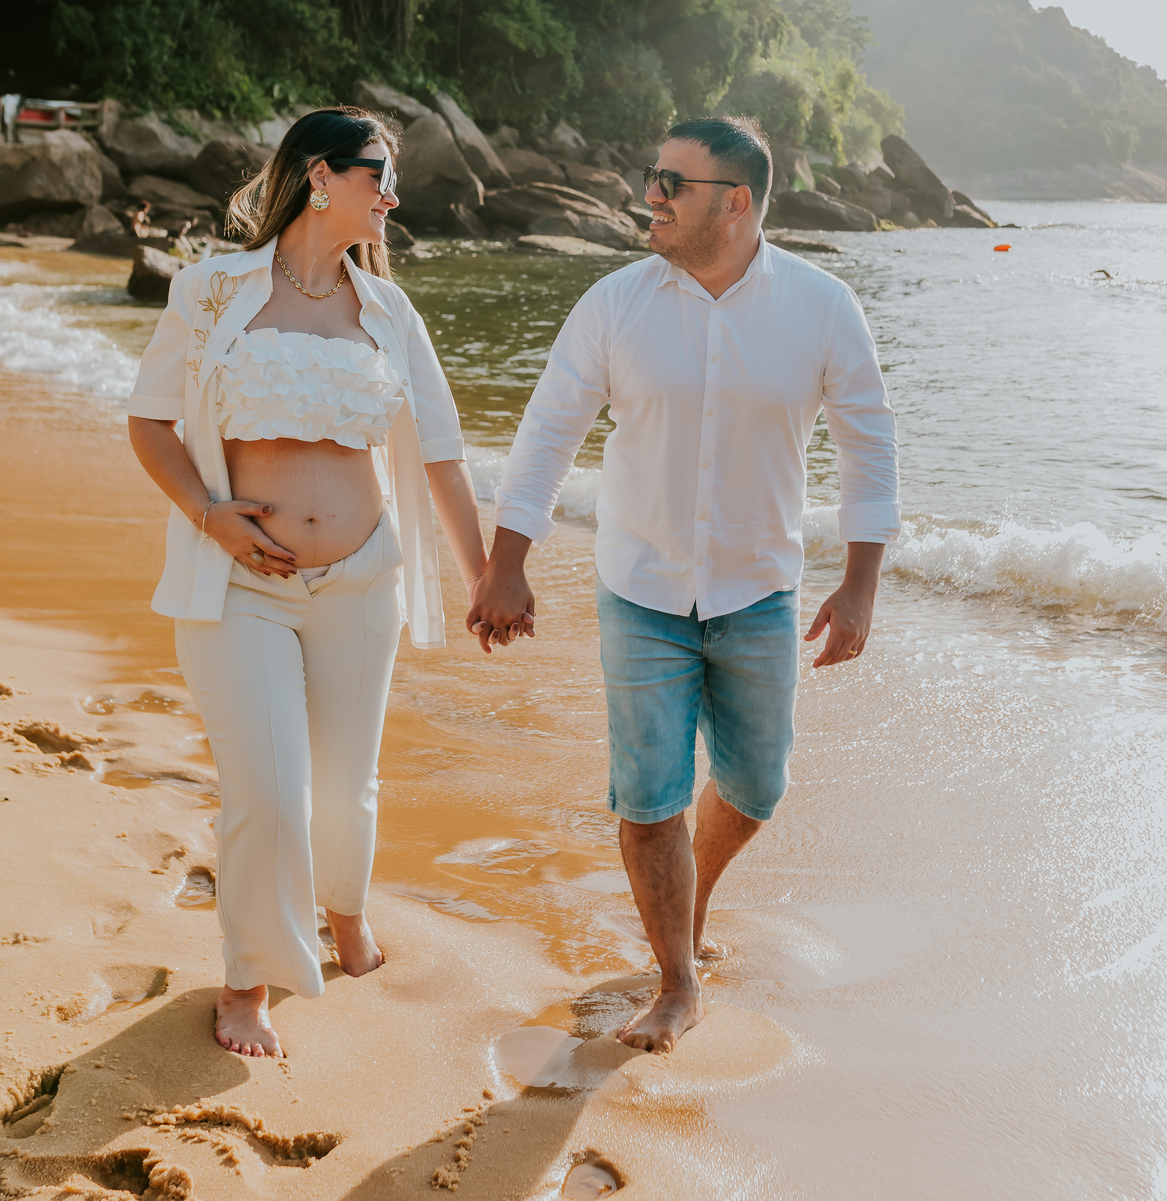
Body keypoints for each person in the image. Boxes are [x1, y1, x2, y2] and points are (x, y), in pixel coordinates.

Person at [467, 116, 900, 1053]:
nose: (650, 194)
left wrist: (861, 583)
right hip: (641, 588)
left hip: (760, 591)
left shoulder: (823, 307)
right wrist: (508, 562)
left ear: (735, 202)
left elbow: (870, 445)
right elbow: (547, 433)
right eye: (652, 175)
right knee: (649, 796)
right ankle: (676, 978)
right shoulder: (615, 304)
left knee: (754, 786)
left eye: (672, 181)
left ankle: (689, 906)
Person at [128, 106, 488, 1059]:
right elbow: (150, 421)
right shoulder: (212, 290)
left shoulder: (388, 310)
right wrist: (210, 513)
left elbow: (442, 454)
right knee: (271, 791)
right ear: (321, 176)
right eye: (381, 175)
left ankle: (345, 910)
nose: (394, 195)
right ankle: (249, 979)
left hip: (362, 580)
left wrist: (487, 575)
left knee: (344, 784)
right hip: (242, 584)